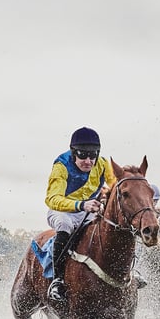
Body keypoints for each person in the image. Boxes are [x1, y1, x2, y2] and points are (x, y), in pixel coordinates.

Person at [44, 126, 117, 302]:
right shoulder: (61, 166)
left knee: (112, 224)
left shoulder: (103, 164)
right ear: (73, 152)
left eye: (93, 156)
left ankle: (126, 272)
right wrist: (81, 205)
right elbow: (52, 199)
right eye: (82, 155)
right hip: (62, 211)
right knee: (65, 224)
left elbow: (116, 185)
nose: (88, 161)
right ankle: (57, 280)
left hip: (90, 209)